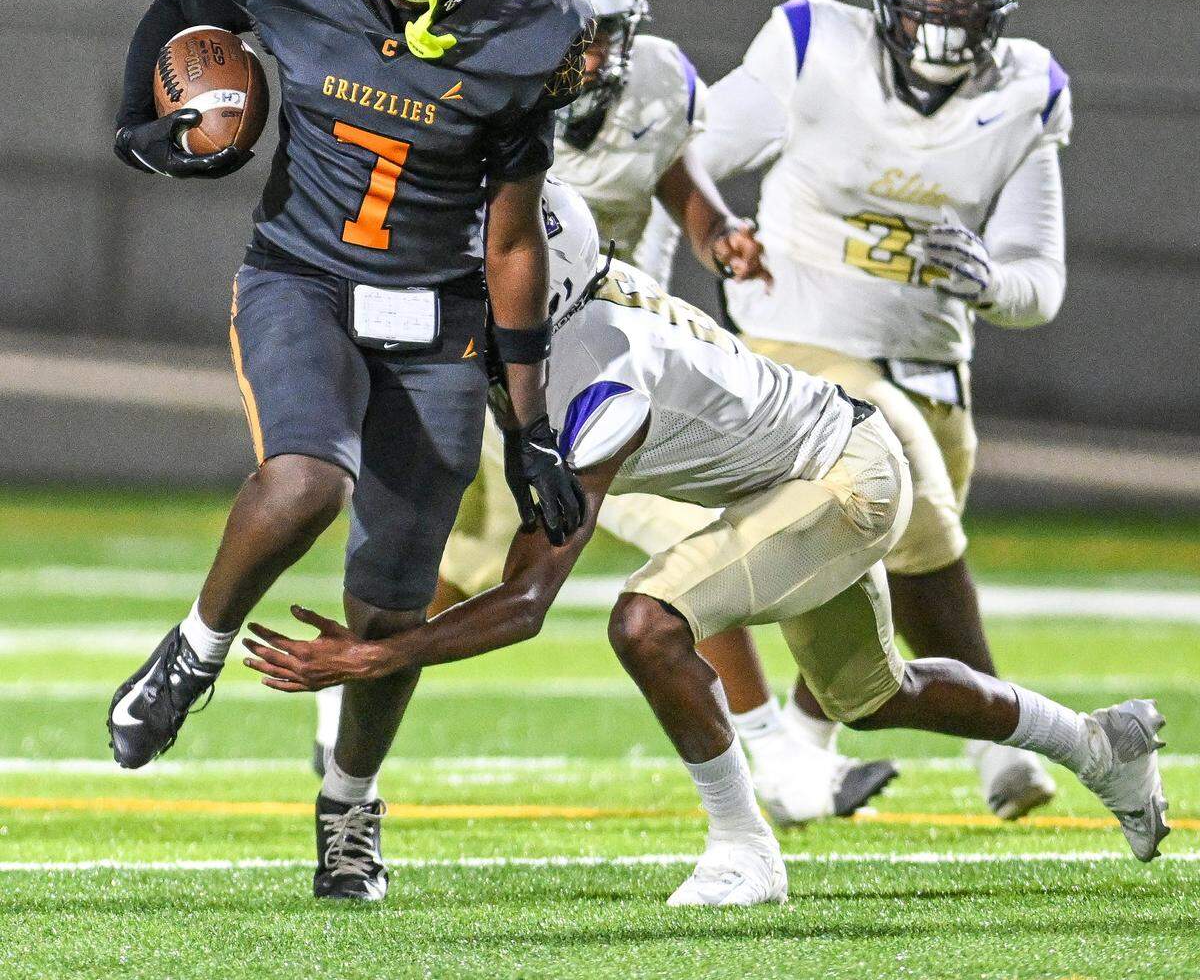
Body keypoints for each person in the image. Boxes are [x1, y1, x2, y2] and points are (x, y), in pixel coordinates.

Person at [244, 179, 1169, 906]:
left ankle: (744, 845)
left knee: (645, 621)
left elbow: (528, 602)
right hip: (804, 466)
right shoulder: (564, 323)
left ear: (540, 290)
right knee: (875, 695)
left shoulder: (595, 372)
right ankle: (1099, 743)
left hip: (841, 473)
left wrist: (377, 653)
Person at [105, 0, 592, 902]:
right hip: (305, 278)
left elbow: (514, 240)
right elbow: (188, 7)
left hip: (440, 318)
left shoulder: (536, 29)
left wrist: (532, 431)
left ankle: (348, 810)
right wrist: (145, 127)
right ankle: (194, 651)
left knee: (389, 604)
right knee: (306, 478)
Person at [312, 0, 897, 822]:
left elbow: (673, 176)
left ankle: (776, 760)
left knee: (671, 534)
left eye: (602, 39)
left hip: (609, 350)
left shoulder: (655, 80)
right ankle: (346, 698)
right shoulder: (466, 100)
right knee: (455, 569)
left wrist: (721, 236)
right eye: (566, 42)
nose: (587, 64)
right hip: (493, 361)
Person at [639, 0, 1070, 821]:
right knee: (896, 480)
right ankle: (1008, 739)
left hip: (932, 367)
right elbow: (687, 148)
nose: (948, 10)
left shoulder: (1024, 89)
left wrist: (987, 282)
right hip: (794, 347)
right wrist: (715, 235)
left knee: (878, 563)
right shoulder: (813, 46)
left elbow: (1039, 282)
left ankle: (802, 759)